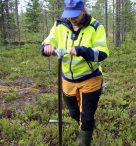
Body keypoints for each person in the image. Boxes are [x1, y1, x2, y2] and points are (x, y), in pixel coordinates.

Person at [41, 0, 109, 145]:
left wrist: (82, 50)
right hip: (67, 79)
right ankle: (82, 124)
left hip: (90, 78)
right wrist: (47, 47)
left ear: (83, 11)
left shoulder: (96, 27)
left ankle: (83, 140)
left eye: (75, 16)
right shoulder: (60, 24)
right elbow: (50, 40)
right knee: (73, 113)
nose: (72, 20)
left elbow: (102, 53)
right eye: (69, 16)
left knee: (87, 117)